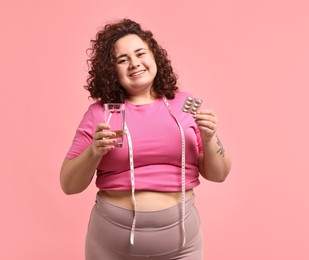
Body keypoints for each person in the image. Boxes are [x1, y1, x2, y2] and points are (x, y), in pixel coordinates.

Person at [60, 18, 231, 260]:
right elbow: (69, 185)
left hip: (182, 249)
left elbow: (219, 174)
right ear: (111, 71)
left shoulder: (187, 105)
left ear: (154, 56)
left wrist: (210, 137)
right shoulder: (101, 114)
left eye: (140, 53)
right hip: (110, 250)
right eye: (122, 60)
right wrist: (93, 152)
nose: (134, 63)